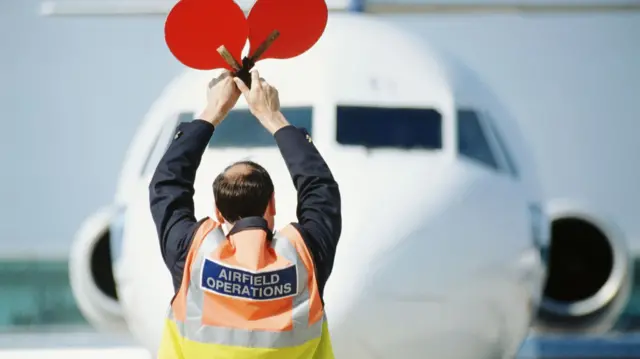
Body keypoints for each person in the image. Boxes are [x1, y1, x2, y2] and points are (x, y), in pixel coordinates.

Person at [149, 69, 342, 359]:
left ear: (217, 211)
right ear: (272, 204)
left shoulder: (193, 255)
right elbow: (321, 190)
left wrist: (214, 110)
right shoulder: (304, 257)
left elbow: (166, 183)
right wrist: (273, 117)